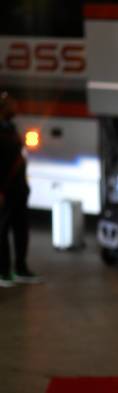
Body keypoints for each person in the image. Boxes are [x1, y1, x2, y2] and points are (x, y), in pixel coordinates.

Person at [0, 91, 41, 287]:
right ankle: (4, 272)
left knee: (21, 229)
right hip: (5, 189)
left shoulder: (10, 128)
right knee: (2, 229)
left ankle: (20, 268)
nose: (15, 108)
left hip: (18, 189)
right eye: (10, 105)